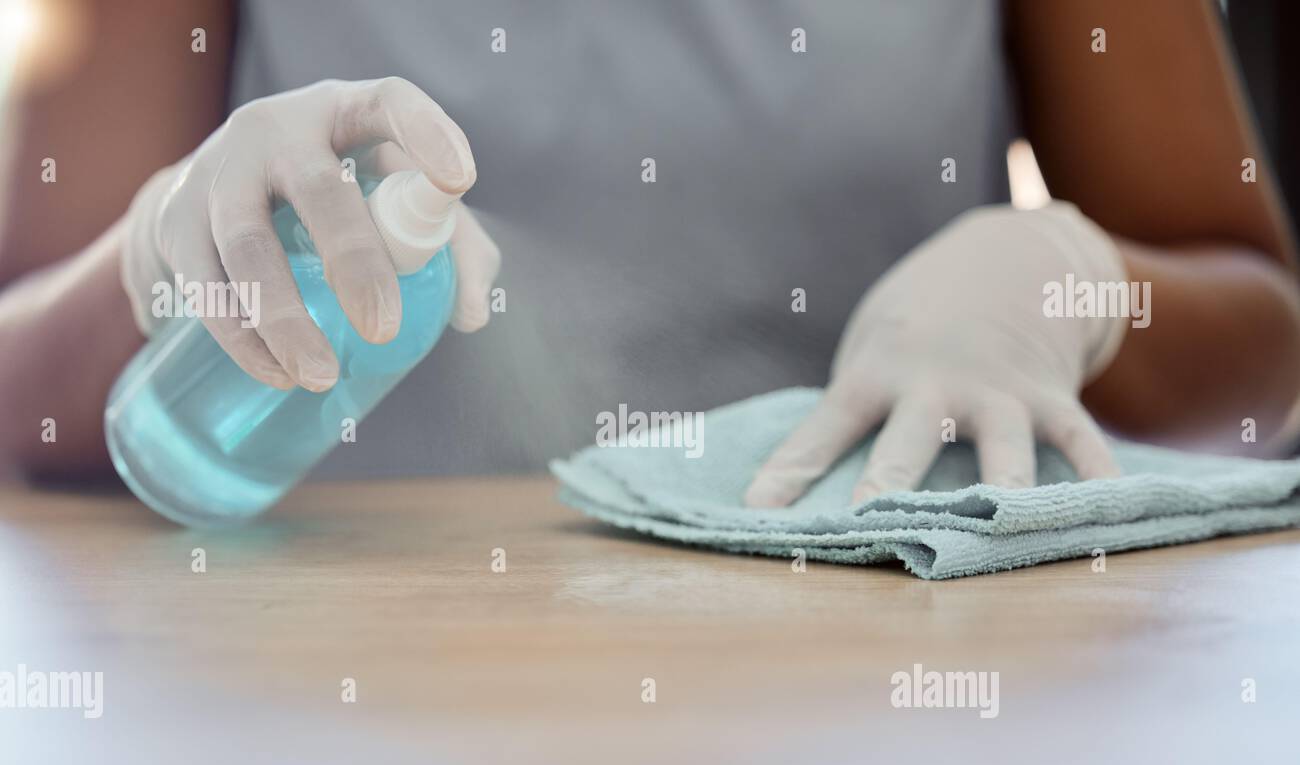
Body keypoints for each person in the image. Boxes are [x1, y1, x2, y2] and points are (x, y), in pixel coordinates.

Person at [1, 0, 1297, 505]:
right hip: (344, 702)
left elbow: (1268, 331)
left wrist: (1078, 288)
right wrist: (158, 253)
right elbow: (17, 386)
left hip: (881, 698)